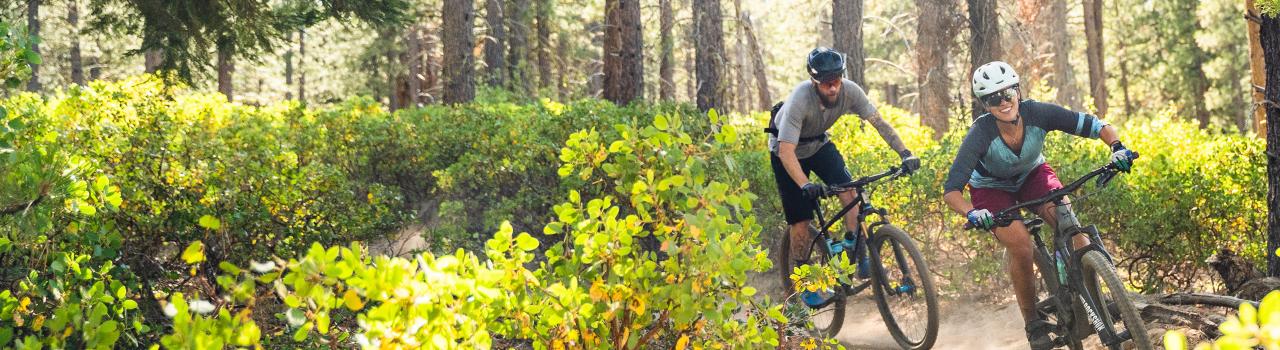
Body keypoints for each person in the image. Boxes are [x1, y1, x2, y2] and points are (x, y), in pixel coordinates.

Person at [942, 61, 1136, 350]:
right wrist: (972, 211)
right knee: (1021, 245)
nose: (1003, 102)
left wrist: (1117, 146)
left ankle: (1098, 297)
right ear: (985, 104)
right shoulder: (980, 134)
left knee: (1070, 224)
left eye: (1008, 93)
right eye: (993, 98)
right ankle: (1033, 322)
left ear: (1018, 91)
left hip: (1032, 175)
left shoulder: (1038, 112)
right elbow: (951, 191)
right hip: (991, 190)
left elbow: (1097, 125)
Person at [767, 47, 920, 305]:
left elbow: (879, 123)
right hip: (786, 152)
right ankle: (803, 280)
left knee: (851, 193)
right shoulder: (799, 101)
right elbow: (786, 150)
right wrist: (805, 184)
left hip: (818, 144)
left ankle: (855, 251)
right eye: (826, 83)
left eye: (836, 81)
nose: (833, 88)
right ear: (814, 82)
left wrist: (905, 153)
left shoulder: (850, 91)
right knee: (801, 221)